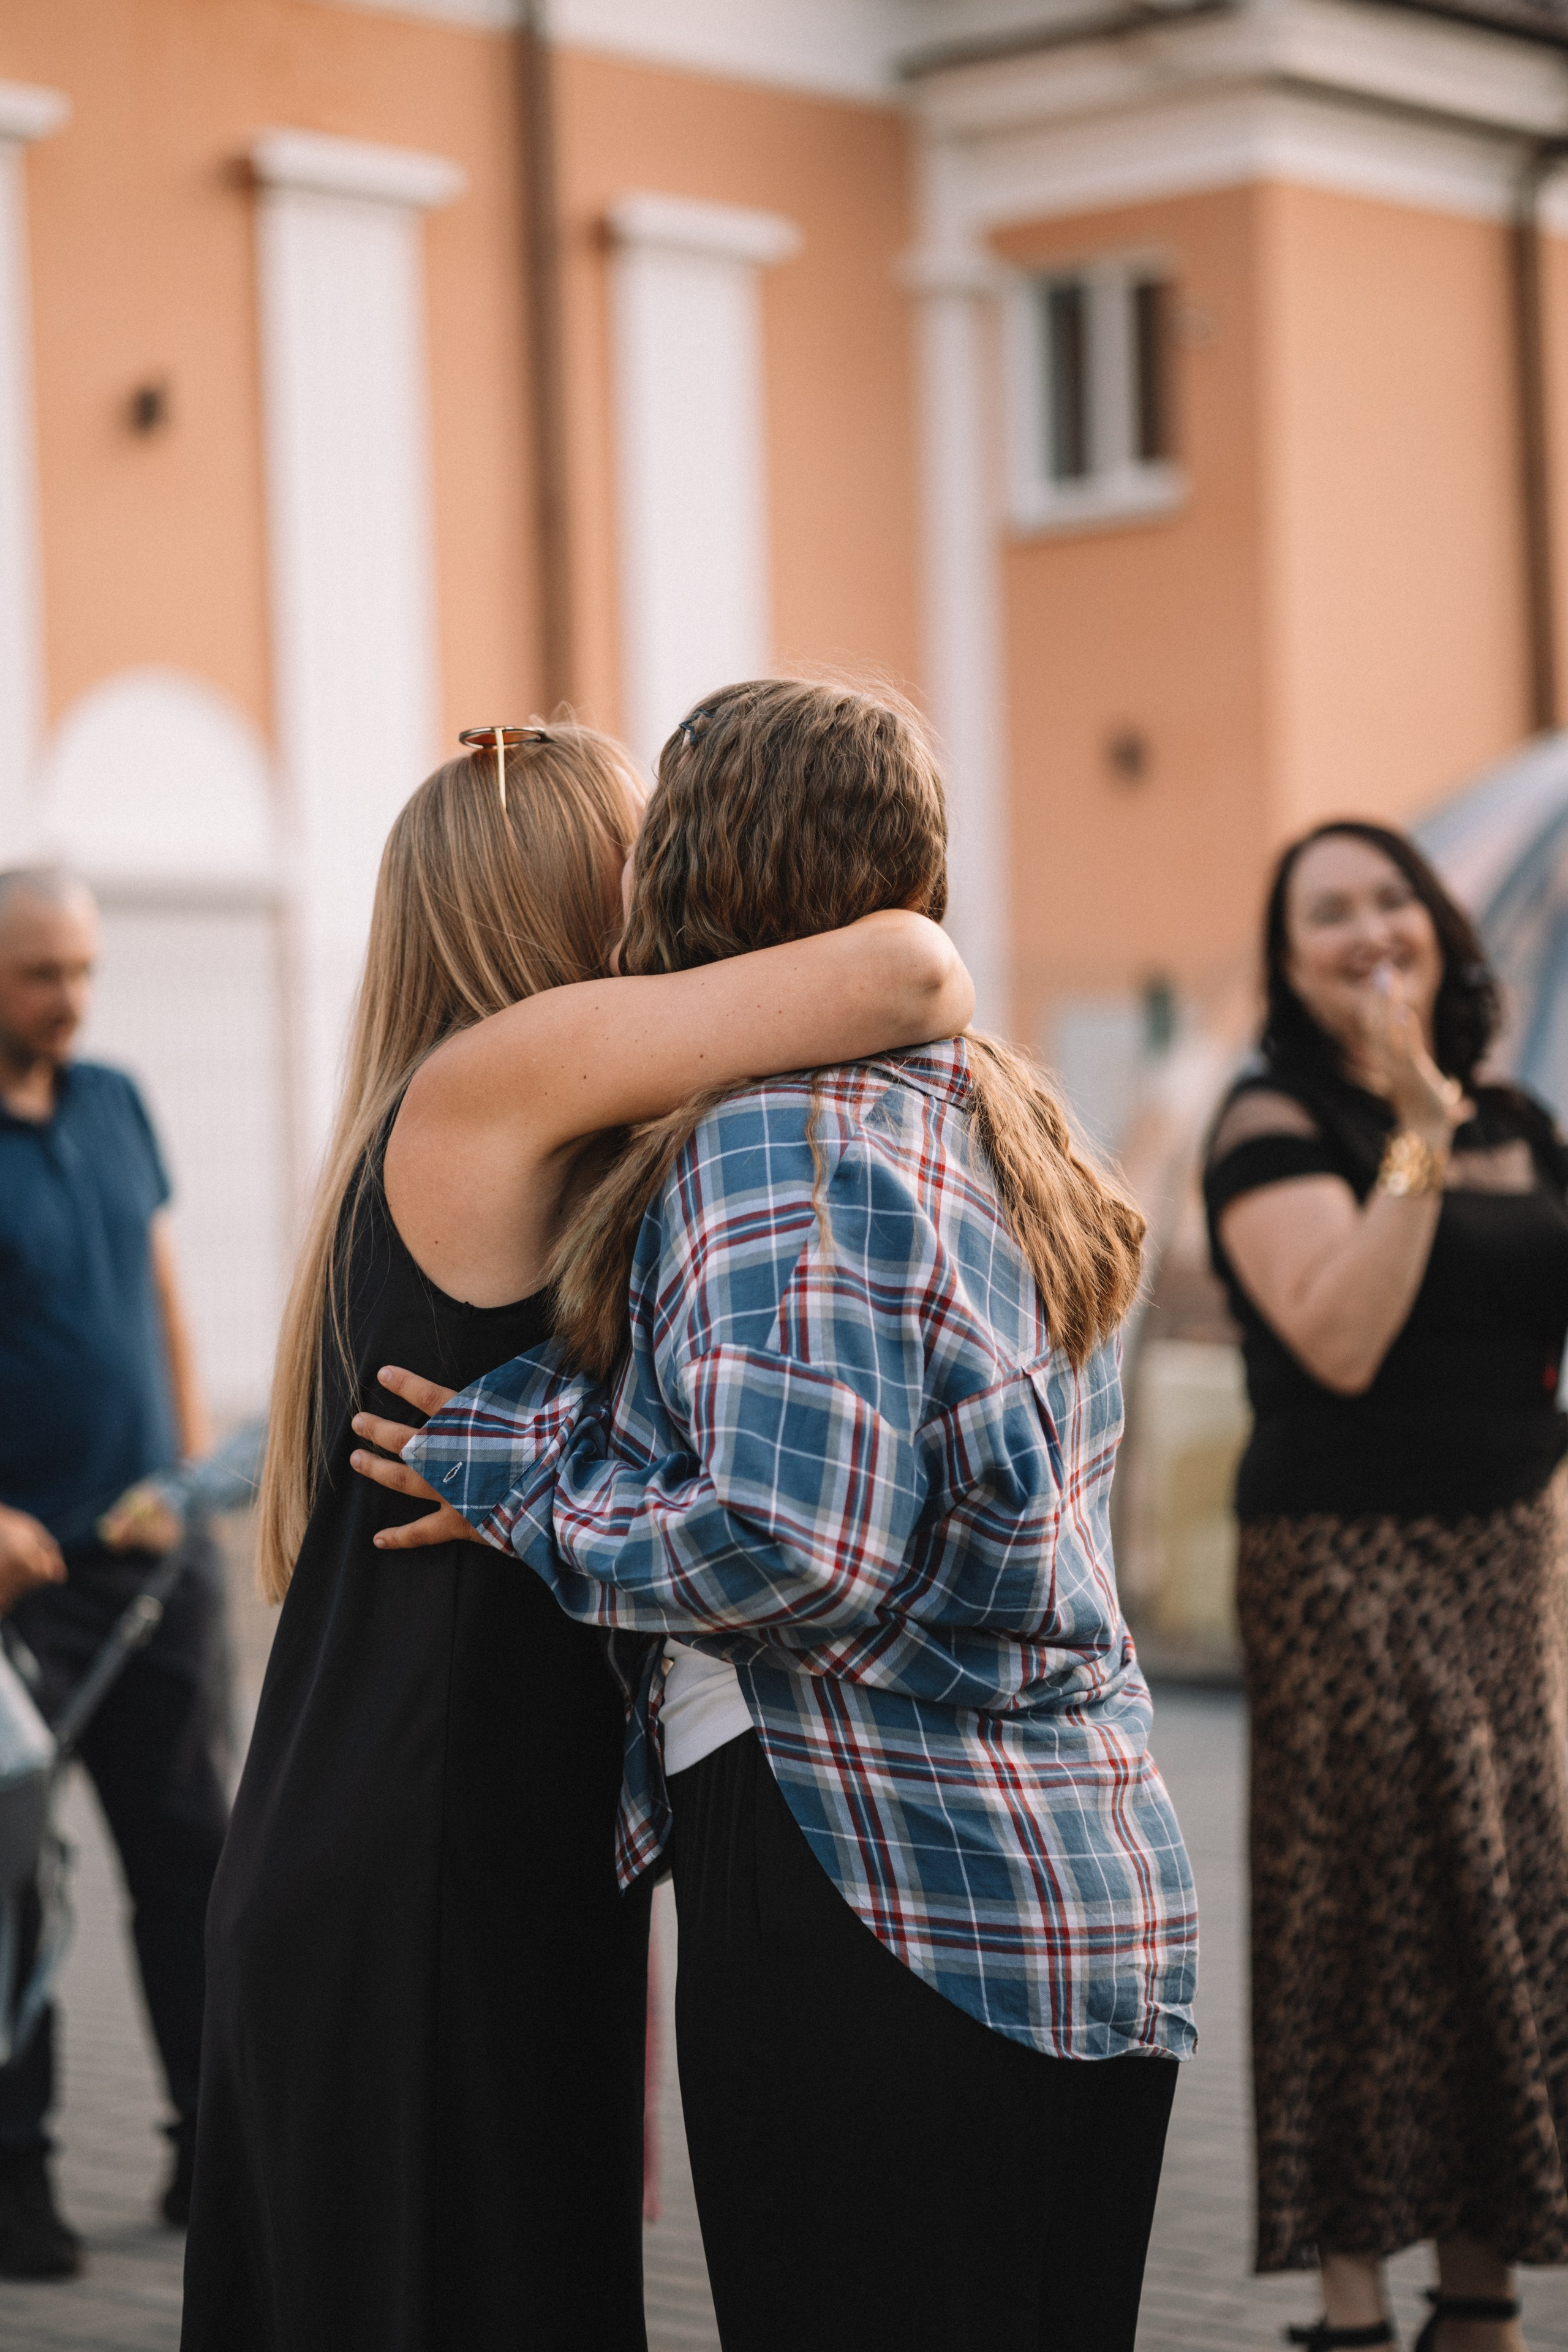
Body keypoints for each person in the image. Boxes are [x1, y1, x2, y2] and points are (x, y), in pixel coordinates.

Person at [356, 680, 1198, 2352]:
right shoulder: (989, 1111)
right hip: (1079, 1888)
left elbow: (794, 1542)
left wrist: (529, 1481)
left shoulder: (769, 1139)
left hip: (880, 1892)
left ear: (696, 859)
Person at [179, 718, 974, 2352]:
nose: (678, 881)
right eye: (648, 848)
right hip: (431, 1854)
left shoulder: (473, 1114)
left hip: (444, 1828)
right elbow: (911, 970)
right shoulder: (494, 1083)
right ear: (572, 894)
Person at [1201, 820, 1568, 2352]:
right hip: (1339, 1563)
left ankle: (1475, 2300)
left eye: (1389, 903)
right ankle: (1351, 2309)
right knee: (1357, 1912)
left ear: (1438, 927)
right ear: (1289, 964)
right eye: (1325, 914)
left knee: (1505, 1902)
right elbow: (1338, 1339)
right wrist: (1413, 1130)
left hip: (1505, 1558)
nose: (1367, 932)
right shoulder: (1266, 1120)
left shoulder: (1524, 1120)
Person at [0, 864, 227, 2275]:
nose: (71, 1000)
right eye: (40, 974)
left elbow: (157, 1292)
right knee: (13, 1879)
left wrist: (191, 1478)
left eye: (82, 970)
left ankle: (217, 2155)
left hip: (156, 1558)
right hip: (21, 1581)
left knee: (198, 1863)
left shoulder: (116, 1100)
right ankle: (17, 2181)